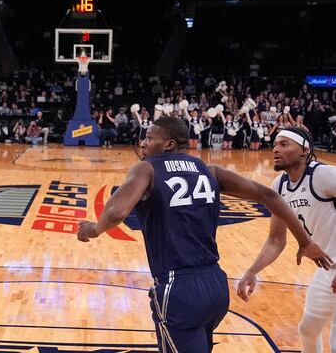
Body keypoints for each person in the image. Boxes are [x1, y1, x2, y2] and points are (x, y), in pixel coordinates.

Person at [76, 116, 332, 353]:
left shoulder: (147, 169)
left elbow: (118, 211)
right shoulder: (210, 171)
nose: (143, 143)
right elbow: (270, 196)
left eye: (150, 138)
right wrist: (305, 242)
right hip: (215, 286)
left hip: (178, 287)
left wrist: (95, 229)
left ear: (169, 144)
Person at [236, 127, 336, 353]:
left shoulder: (323, 175)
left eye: (284, 144)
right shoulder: (279, 185)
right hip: (327, 269)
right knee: (308, 330)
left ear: (304, 151)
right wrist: (253, 271)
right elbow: (276, 239)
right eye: (275, 144)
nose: (276, 149)